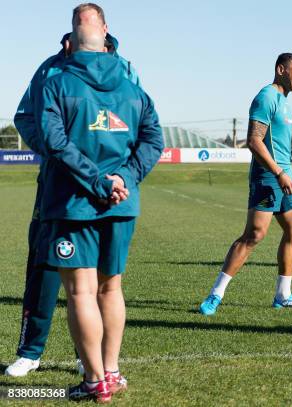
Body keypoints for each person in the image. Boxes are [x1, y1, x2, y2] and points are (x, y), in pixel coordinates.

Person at [6, 3, 140, 378]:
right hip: (61, 184)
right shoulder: (51, 67)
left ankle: (93, 362)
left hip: (111, 190)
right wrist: (51, 151)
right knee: (46, 266)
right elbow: (26, 117)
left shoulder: (125, 68)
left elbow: (139, 125)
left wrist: (120, 178)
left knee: (103, 281)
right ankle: (31, 351)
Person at [36, 16, 163, 402]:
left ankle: (95, 381)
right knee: (111, 288)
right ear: (107, 40)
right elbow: (153, 139)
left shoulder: (56, 82)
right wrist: (124, 177)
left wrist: (99, 181)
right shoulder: (133, 88)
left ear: (71, 42)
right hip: (122, 204)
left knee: (81, 293)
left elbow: (53, 141)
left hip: (74, 203)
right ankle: (112, 371)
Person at [199, 53, 292, 315]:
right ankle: (215, 295)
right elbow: (254, 141)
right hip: (268, 176)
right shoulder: (266, 97)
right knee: (254, 235)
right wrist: (278, 173)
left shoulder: (285, 102)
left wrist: (286, 173)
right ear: (280, 70)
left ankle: (283, 295)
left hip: (287, 174)